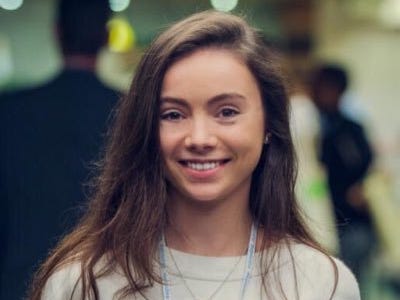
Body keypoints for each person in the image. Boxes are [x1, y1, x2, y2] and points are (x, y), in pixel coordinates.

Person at [29, 11, 360, 300]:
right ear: (146, 129)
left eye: (227, 111)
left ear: (268, 125)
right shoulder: (83, 283)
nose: (199, 138)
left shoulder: (322, 284)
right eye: (173, 114)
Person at [0, 0, 118, 298]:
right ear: (106, 36)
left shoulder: (10, 112)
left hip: (21, 282)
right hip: (105, 284)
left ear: (56, 33)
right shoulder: (130, 113)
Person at [311, 65, 375, 284]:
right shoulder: (308, 125)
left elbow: (367, 168)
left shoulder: (351, 130)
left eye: (332, 89)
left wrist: (363, 190)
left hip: (351, 222)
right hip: (316, 219)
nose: (325, 94)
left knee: (350, 281)